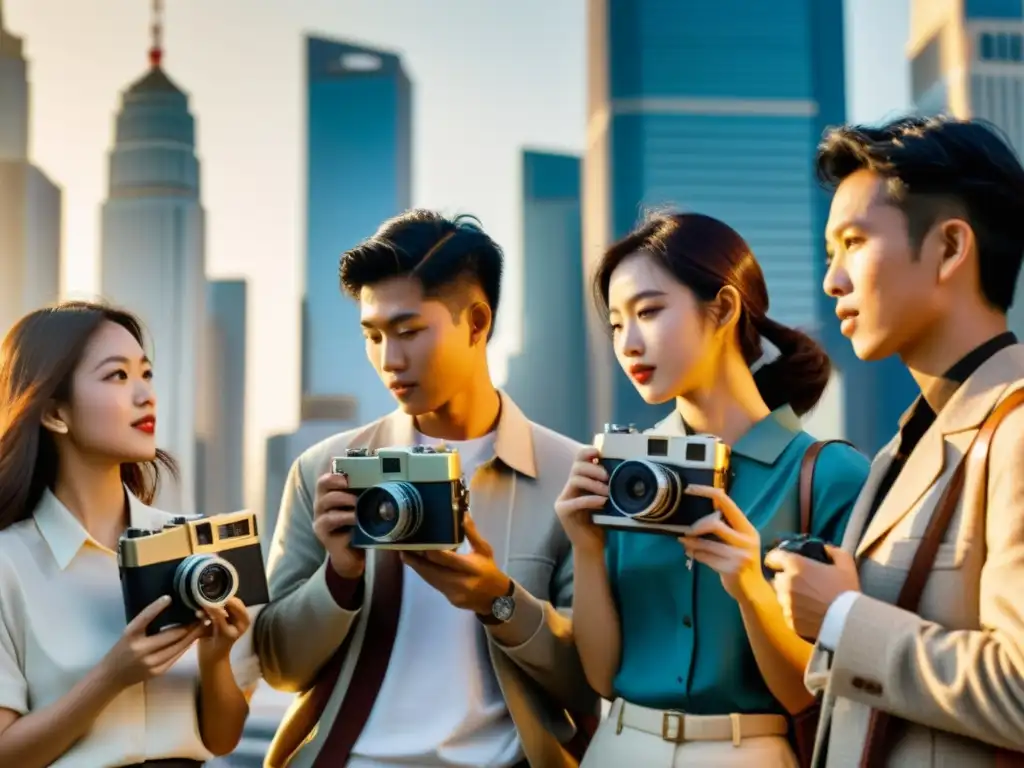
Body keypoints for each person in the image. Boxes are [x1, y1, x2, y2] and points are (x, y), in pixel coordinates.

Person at [255, 210, 598, 768]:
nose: (389, 360)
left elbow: (591, 680)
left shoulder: (571, 476)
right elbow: (278, 666)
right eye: (373, 335)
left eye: (410, 331)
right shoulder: (325, 470)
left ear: (477, 322)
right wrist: (339, 576)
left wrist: (499, 601)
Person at [555, 211, 870, 767]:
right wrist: (585, 546)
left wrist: (750, 587)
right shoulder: (619, 473)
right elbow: (602, 677)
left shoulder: (829, 476)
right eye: (615, 323)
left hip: (753, 750)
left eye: (649, 312)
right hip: (620, 749)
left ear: (722, 308)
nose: (628, 343)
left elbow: (809, 693)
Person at [766, 115, 1024, 766]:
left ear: (949, 247)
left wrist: (844, 618)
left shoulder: (1016, 430)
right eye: (831, 255)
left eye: (853, 243)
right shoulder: (899, 449)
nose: (833, 282)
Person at [0, 301, 261, 768]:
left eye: (146, 374)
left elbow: (223, 740)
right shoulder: (9, 563)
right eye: (117, 376)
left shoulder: (198, 550)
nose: (146, 395)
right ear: (55, 413)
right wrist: (111, 677)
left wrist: (216, 658)